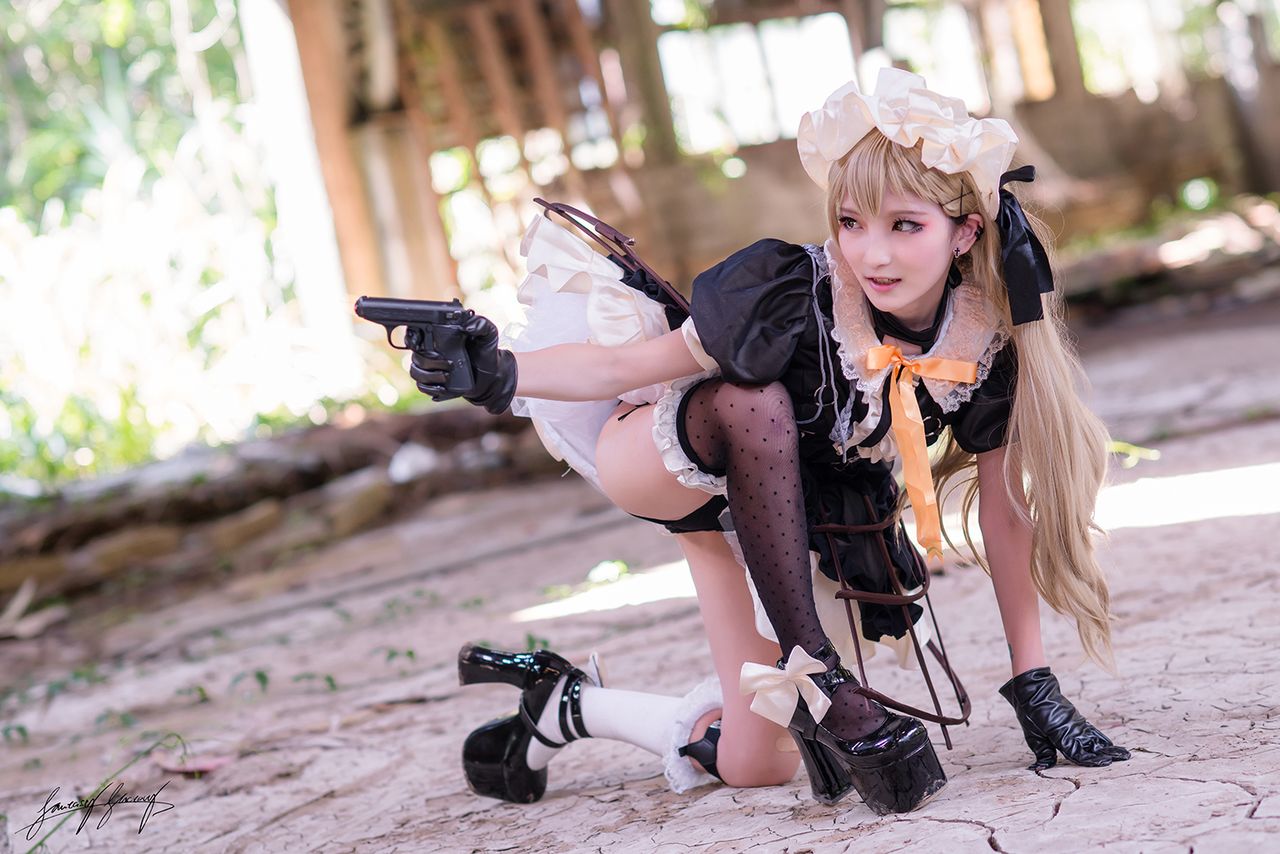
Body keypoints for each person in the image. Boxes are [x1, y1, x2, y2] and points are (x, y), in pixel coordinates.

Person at [402, 69, 1130, 815]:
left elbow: (1006, 516)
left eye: (904, 226)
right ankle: (820, 675)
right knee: (756, 400)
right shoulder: (791, 292)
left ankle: (567, 705)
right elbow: (624, 368)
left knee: (753, 764)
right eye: (851, 223)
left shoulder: (980, 342)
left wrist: (1034, 685)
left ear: (965, 232)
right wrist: (501, 372)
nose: (872, 254)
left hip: (769, 521)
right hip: (667, 456)